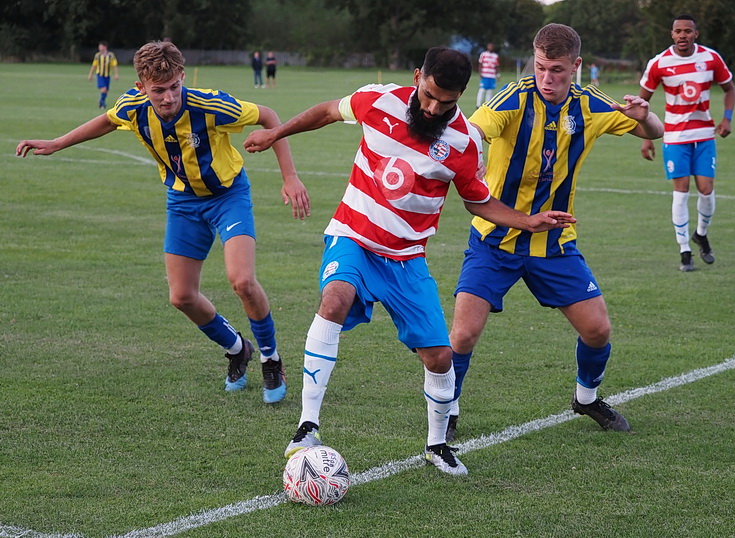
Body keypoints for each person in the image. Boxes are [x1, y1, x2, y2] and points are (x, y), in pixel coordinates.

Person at [244, 47, 576, 475]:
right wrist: (275, 134)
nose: (435, 107)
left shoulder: (463, 142)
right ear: (418, 76)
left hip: (406, 258)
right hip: (354, 237)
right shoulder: (378, 100)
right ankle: (308, 425)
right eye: (430, 95)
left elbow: (478, 201)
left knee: (440, 358)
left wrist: (527, 222)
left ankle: (436, 446)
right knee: (335, 299)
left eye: (448, 102)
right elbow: (328, 110)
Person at [17, 40, 310, 403]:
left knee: (243, 281)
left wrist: (290, 176)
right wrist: (58, 143)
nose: (169, 97)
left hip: (227, 196)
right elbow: (108, 120)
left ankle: (271, 358)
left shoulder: (209, 105)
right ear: (142, 87)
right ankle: (237, 349)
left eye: (174, 87)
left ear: (182, 77)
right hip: (183, 202)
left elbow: (268, 116)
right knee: (182, 296)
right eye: (159, 91)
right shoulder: (133, 106)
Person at [445, 23, 665, 443]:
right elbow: (475, 129)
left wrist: (645, 115)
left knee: (598, 330)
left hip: (554, 245)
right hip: (495, 239)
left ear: (576, 66)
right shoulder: (513, 97)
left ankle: (586, 398)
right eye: (541, 67)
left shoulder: (590, 104)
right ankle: (447, 409)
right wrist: (465, 146)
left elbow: (652, 132)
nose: (548, 78)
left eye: (558, 70)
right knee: (463, 334)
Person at [638, 14, 734, 272]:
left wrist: (727, 119)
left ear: (696, 34)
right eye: (678, 31)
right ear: (672, 34)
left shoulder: (711, 58)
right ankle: (685, 251)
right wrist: (647, 138)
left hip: (704, 134)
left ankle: (701, 234)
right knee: (681, 190)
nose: (683, 35)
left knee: (706, 189)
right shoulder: (659, 63)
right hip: (675, 136)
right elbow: (641, 104)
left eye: (687, 31)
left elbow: (729, 88)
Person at [87, 41, 119, 109]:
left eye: (101, 46)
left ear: (105, 47)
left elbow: (114, 65)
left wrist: (116, 74)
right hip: (100, 75)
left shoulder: (111, 55)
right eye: (99, 46)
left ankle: (102, 101)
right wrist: (90, 74)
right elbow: (94, 65)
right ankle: (102, 102)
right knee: (104, 89)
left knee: (106, 90)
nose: (99, 48)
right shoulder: (97, 55)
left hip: (107, 75)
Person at [476, 42, 500, 108]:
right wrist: (480, 73)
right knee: (482, 90)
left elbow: (497, 66)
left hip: (492, 76)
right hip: (485, 75)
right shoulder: (483, 54)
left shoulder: (495, 56)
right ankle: (478, 105)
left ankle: (487, 105)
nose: (491, 47)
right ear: (487, 47)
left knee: (490, 91)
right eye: (490, 46)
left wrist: (498, 75)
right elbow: (480, 64)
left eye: (492, 46)